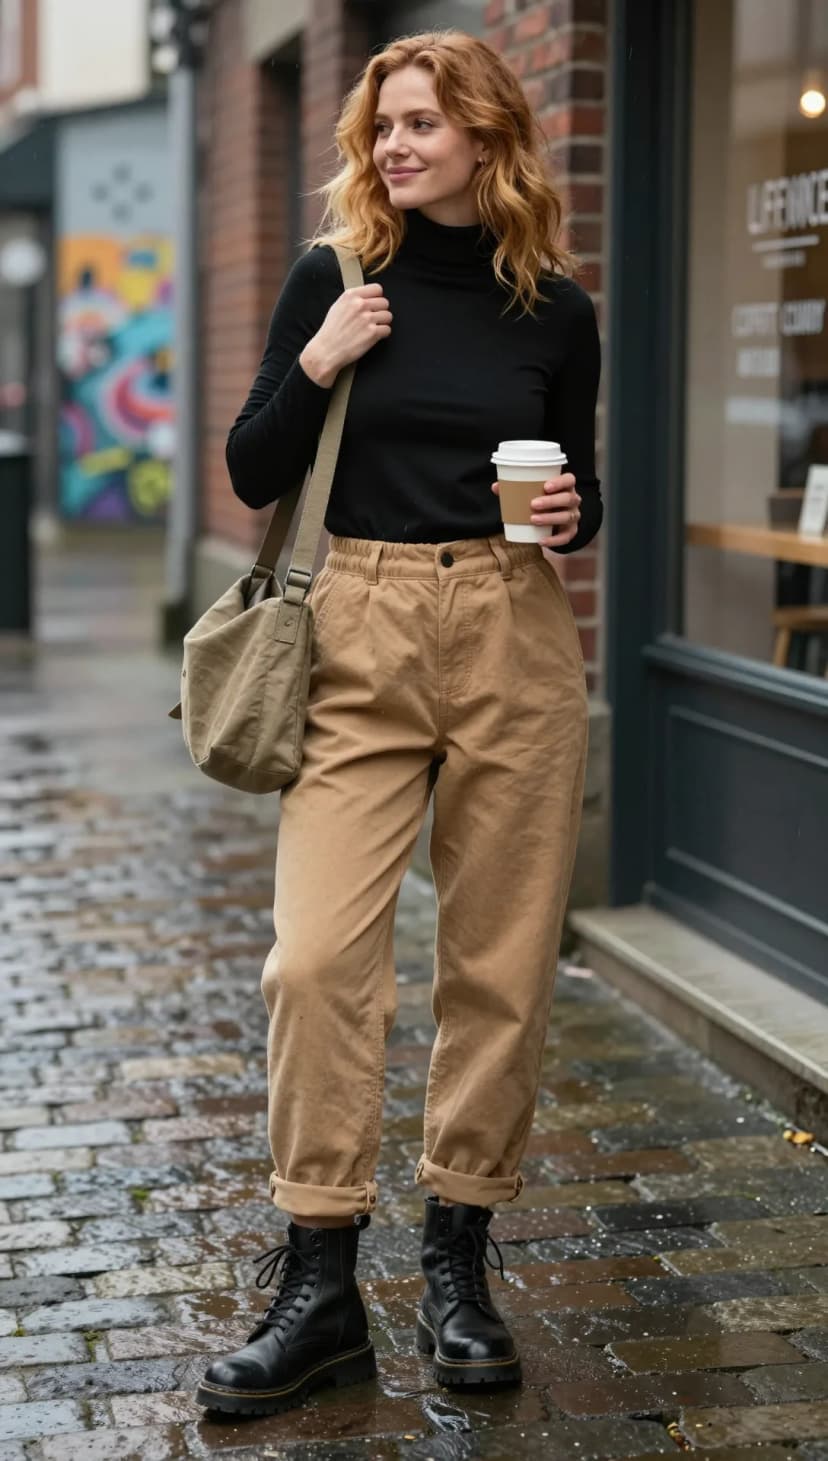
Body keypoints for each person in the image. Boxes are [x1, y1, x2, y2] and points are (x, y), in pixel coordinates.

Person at [197, 28, 601, 1418]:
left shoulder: (555, 308)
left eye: (425, 122)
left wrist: (569, 513)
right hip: (354, 631)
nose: (396, 146)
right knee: (314, 961)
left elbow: (581, 490)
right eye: (383, 127)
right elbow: (252, 464)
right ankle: (318, 1281)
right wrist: (317, 360)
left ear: (490, 135)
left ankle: (459, 1261)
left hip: (510, 633)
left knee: (500, 966)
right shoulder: (337, 278)